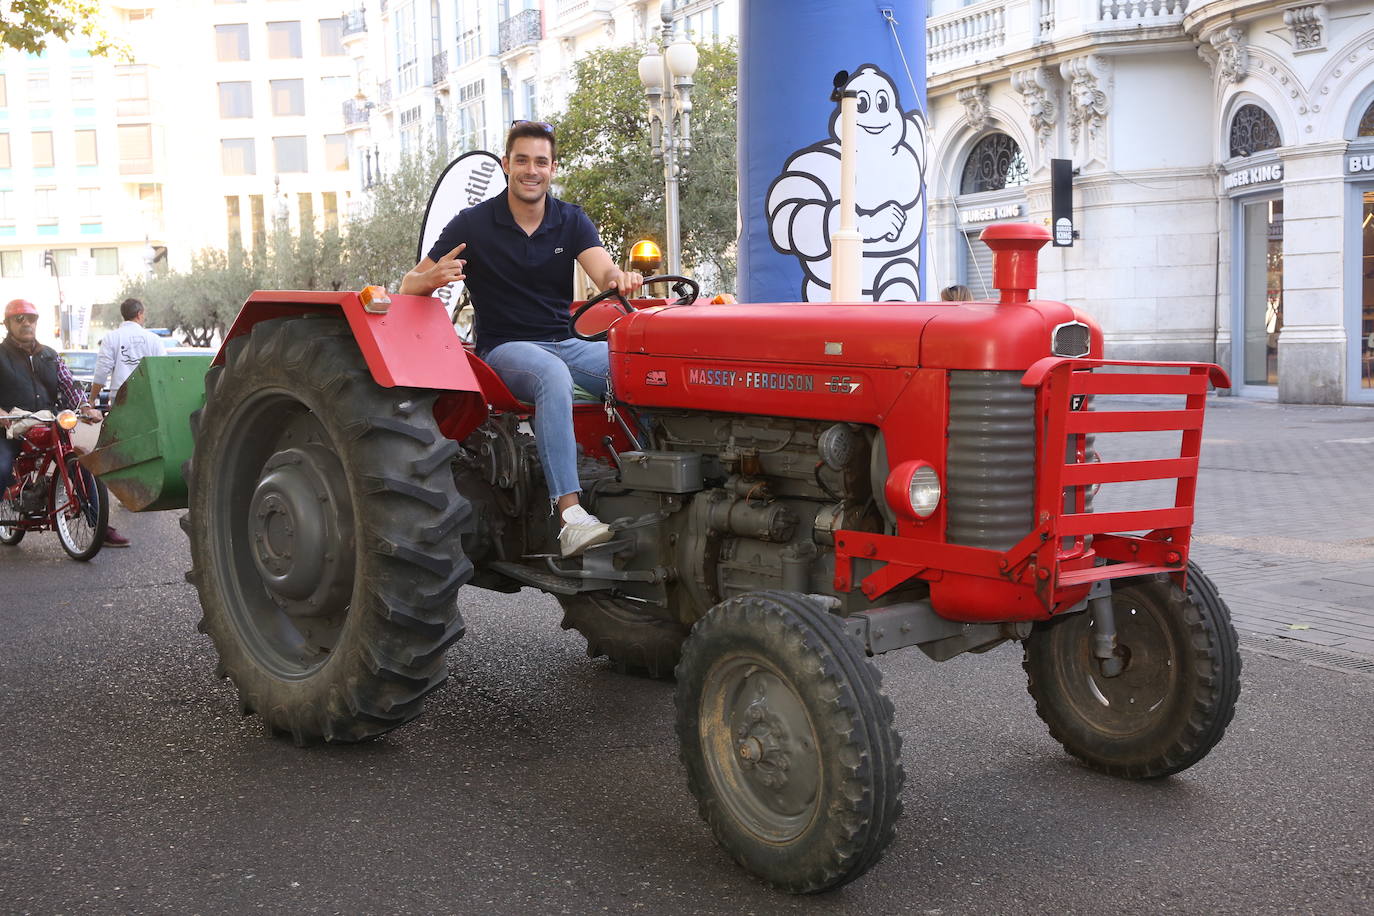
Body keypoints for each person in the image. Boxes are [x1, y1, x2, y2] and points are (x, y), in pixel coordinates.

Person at [400, 121, 643, 557]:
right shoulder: (473, 224)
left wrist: (620, 278)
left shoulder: (570, 220)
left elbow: (603, 272)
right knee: (550, 375)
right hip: (505, 350)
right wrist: (432, 277)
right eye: (523, 161)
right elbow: (408, 284)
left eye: (541, 162)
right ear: (506, 165)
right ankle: (570, 516)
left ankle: (648, 486)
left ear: (553, 168)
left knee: (637, 367)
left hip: (562, 341)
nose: (532, 170)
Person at [0, 298, 129, 547]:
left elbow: (69, 384)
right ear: (7, 324)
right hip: (11, 428)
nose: (26, 323)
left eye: (31, 318)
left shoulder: (49, 355)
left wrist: (85, 407)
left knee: (78, 462)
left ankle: (98, 524)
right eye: (20, 319)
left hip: (50, 421)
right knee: (2, 466)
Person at [90, 297, 167, 408]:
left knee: (119, 425)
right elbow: (162, 370)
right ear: (139, 314)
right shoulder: (154, 339)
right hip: (148, 396)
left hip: (120, 395)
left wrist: (92, 398)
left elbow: (102, 371)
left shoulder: (111, 338)